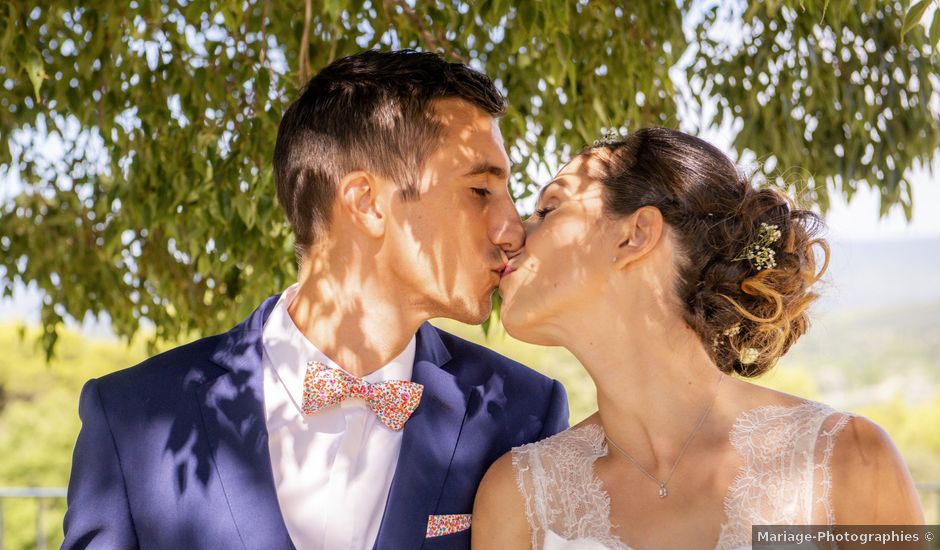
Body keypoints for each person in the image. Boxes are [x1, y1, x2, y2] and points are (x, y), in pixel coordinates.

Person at [62, 50, 569, 550]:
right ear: (367, 202)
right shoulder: (130, 419)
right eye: (481, 189)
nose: (512, 229)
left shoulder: (524, 415)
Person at [472, 127, 924, 549]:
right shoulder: (517, 499)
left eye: (548, 209)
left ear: (636, 235)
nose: (511, 235)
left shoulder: (845, 460)